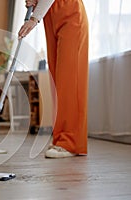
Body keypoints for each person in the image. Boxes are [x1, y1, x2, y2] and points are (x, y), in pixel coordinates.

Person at [18, 0, 89, 158]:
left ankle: (71, 142)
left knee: (70, 80)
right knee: (58, 83)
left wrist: (34, 19)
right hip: (52, 16)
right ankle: (61, 139)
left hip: (70, 14)